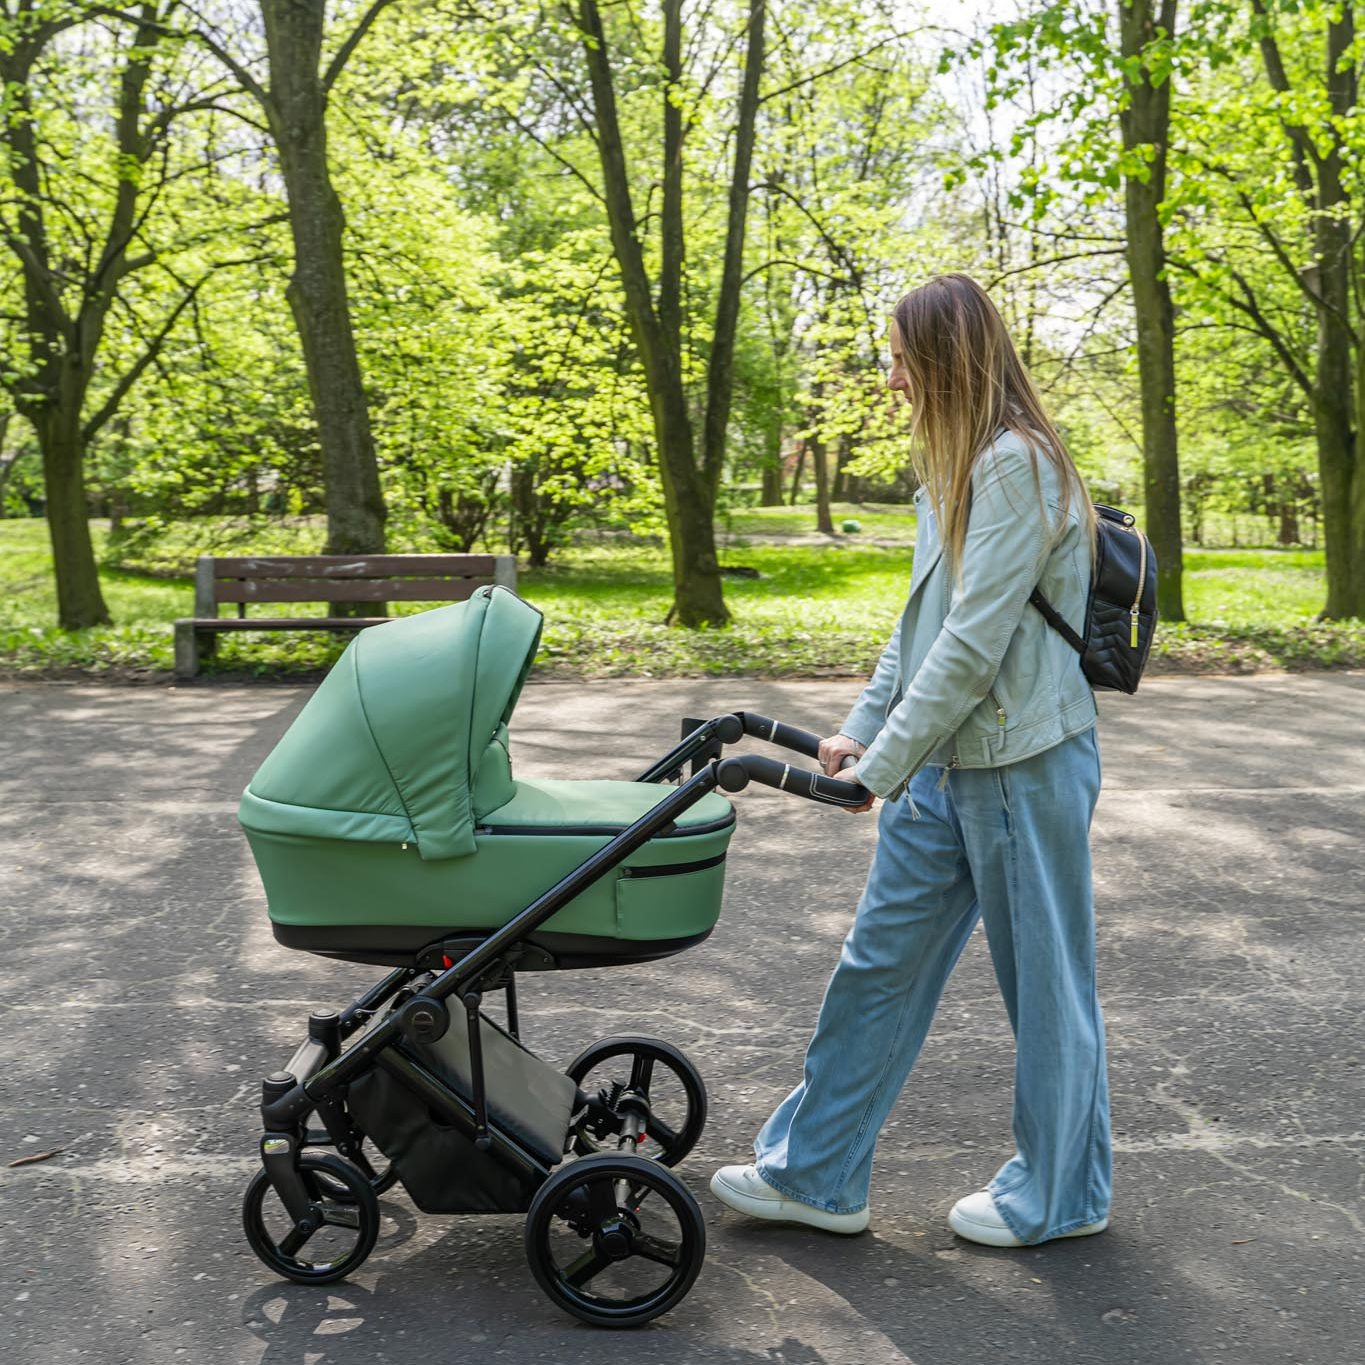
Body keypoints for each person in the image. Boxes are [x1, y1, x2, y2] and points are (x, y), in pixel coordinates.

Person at [710, 273, 1111, 1248]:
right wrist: (864, 732)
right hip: (945, 767)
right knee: (877, 967)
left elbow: (975, 644)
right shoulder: (955, 464)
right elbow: (921, 627)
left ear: (943, 361)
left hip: (1022, 766)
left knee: (1047, 990)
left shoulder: (1016, 466)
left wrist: (880, 767)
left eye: (898, 358)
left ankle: (1063, 1196)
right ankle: (817, 1171)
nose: (889, 378)